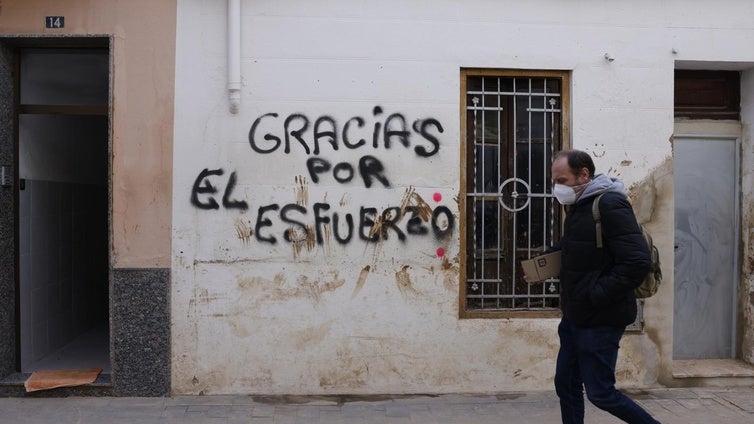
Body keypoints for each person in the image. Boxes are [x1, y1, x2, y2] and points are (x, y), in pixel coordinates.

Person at [544, 149, 660, 424]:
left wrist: (596, 294)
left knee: (600, 392)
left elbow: (636, 261)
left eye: (562, 180)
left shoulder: (609, 204)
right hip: (576, 315)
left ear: (583, 174)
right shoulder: (577, 206)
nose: (557, 187)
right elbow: (577, 248)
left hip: (601, 317)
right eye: (554, 180)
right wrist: (545, 262)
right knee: (566, 384)